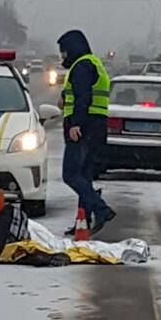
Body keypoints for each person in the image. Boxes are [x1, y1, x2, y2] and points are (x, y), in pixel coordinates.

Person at [57, 29, 116, 235]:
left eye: (64, 51)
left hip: (84, 128)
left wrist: (76, 125)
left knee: (70, 175)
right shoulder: (93, 63)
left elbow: (84, 98)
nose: (62, 56)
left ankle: (101, 209)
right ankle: (83, 219)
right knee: (84, 175)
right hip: (96, 127)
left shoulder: (82, 65)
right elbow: (81, 92)